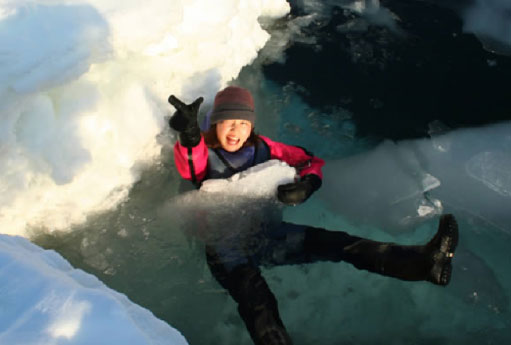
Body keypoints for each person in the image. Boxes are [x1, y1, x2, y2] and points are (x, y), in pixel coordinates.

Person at [168, 86, 458, 345]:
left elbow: (309, 160)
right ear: (215, 124)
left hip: (268, 236)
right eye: (228, 122)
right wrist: (190, 135)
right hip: (227, 251)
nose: (235, 131)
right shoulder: (204, 151)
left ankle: (421, 264)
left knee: (340, 244)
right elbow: (192, 166)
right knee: (259, 301)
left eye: (243, 123)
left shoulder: (266, 148)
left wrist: (307, 184)